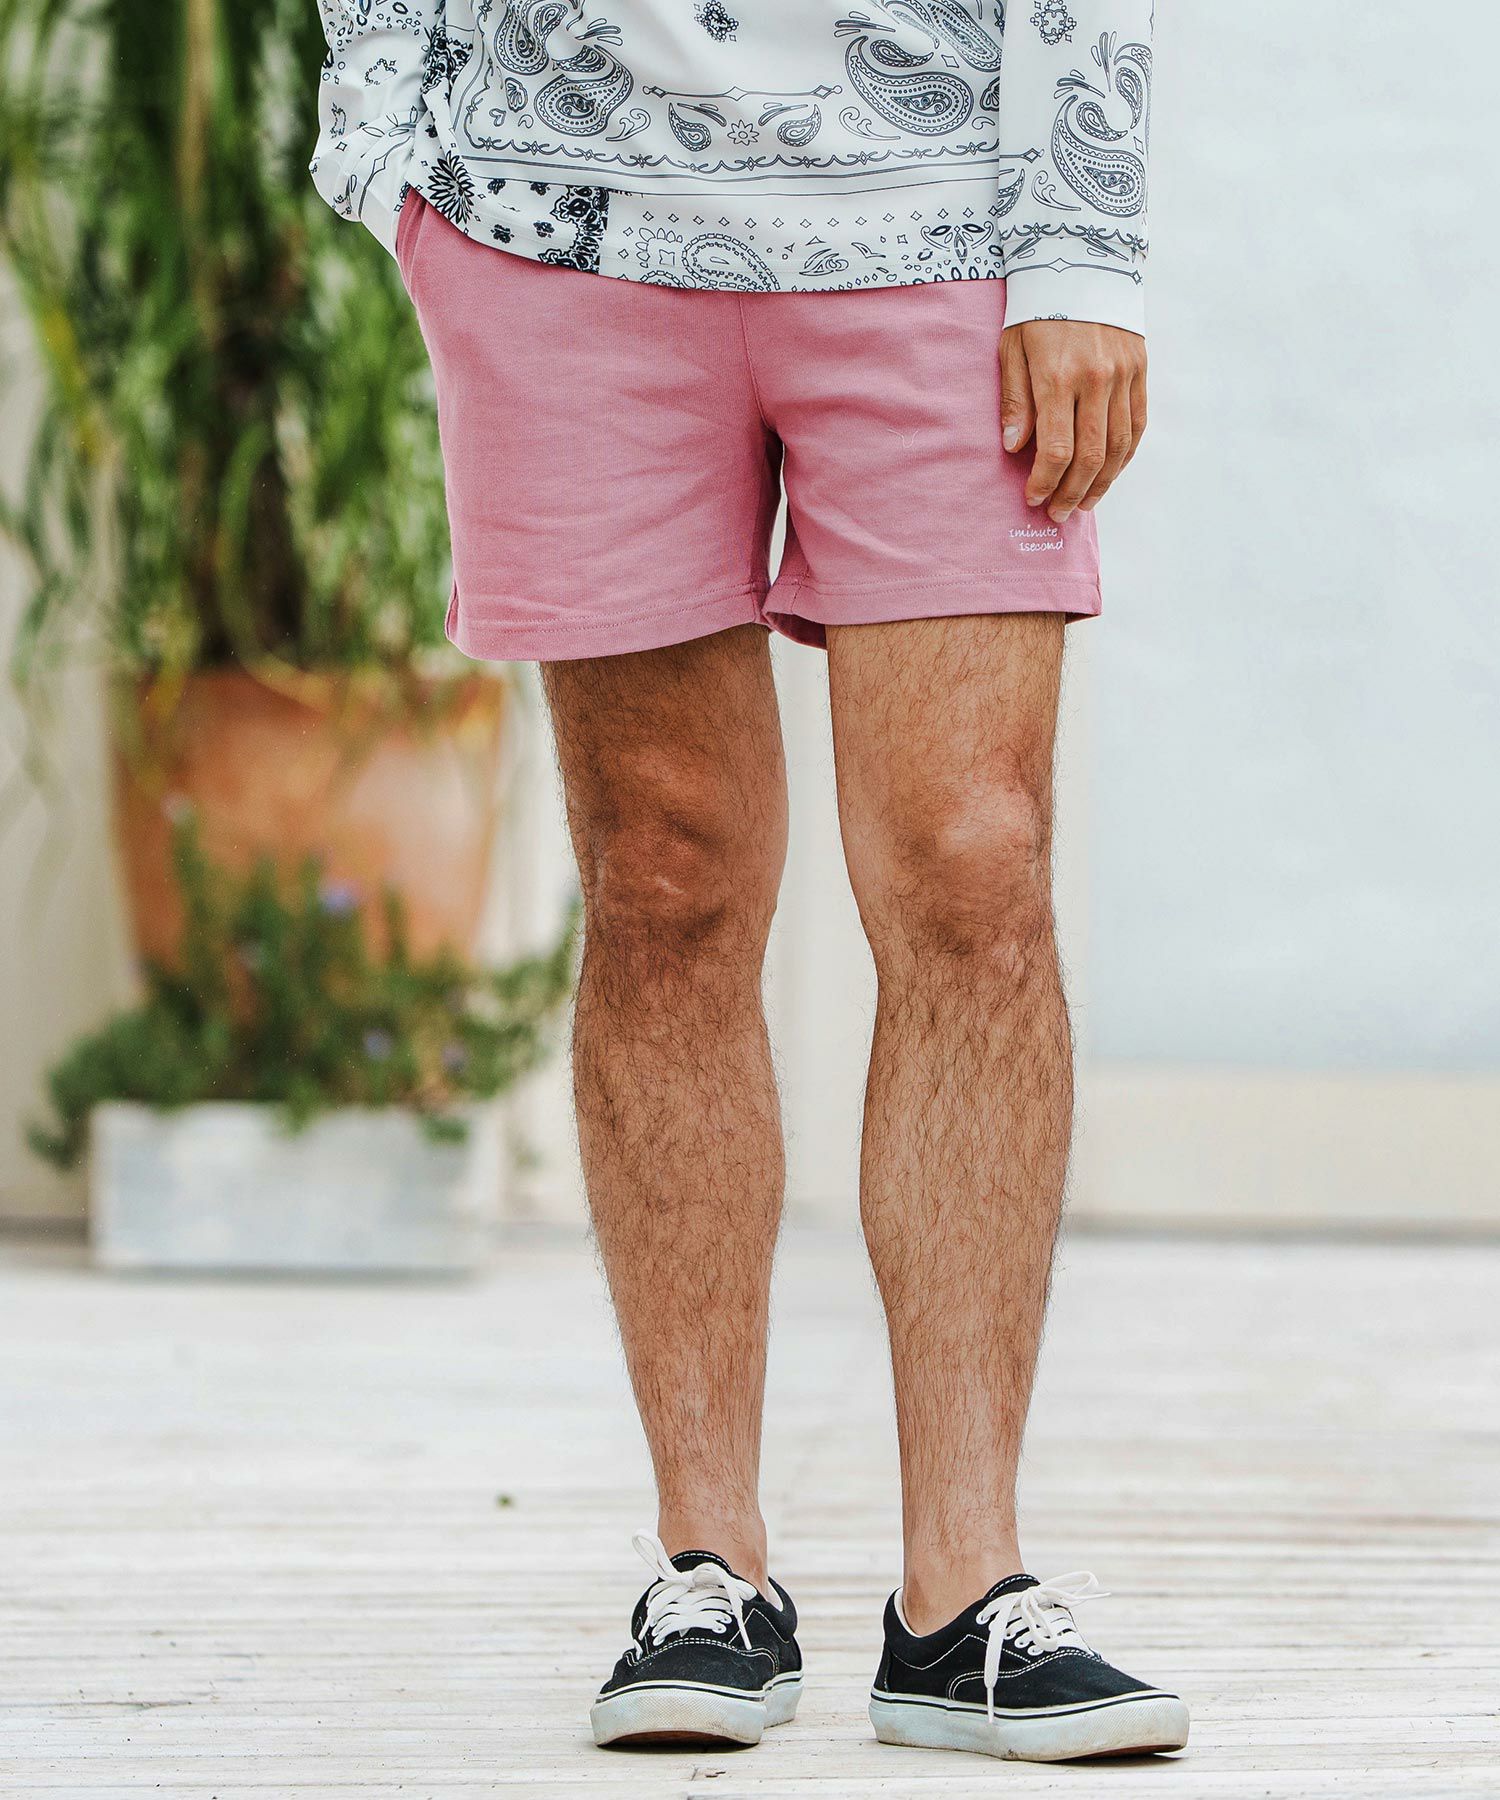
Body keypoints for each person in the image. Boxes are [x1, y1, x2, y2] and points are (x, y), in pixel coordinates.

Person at [312, 0, 1187, 1764]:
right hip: (561, 218)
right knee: (663, 873)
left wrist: (1081, 239)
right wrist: (386, 143)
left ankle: (966, 1595)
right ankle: (707, 1567)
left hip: (940, 217)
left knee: (975, 863)